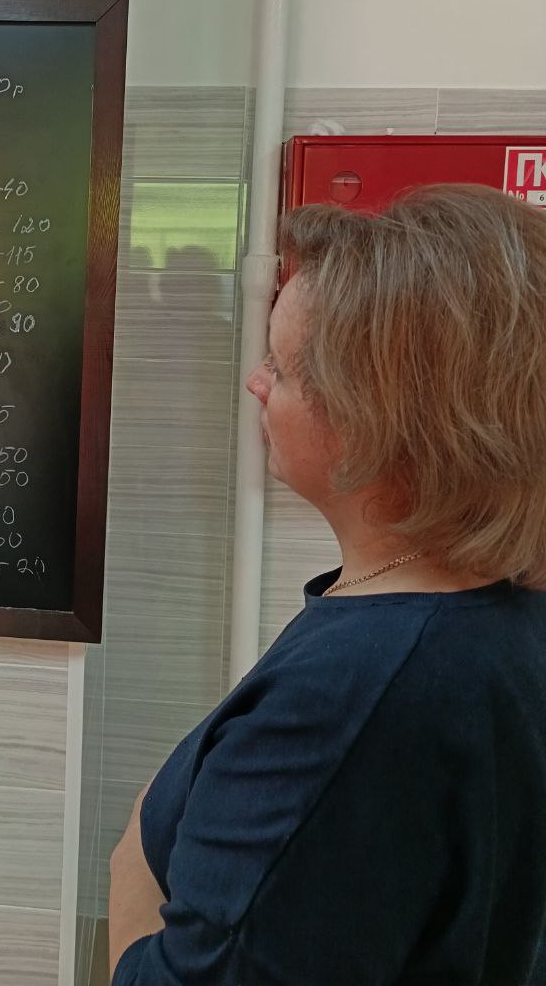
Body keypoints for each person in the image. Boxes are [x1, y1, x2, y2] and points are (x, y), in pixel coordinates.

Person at [109, 184, 546, 985]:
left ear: (371, 417)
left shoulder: (355, 696)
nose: (256, 382)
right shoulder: (501, 604)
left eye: (281, 365)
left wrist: (133, 868)